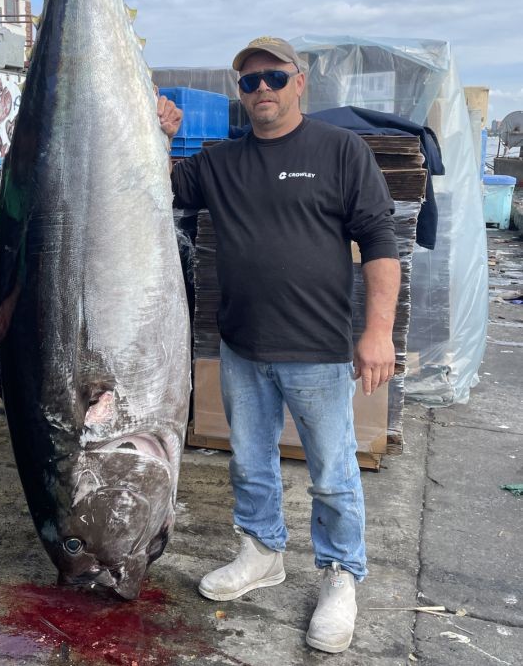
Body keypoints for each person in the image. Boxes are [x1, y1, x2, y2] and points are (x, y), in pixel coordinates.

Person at [159, 36, 400, 655]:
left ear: (300, 83)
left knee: (332, 474)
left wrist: (376, 333)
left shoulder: (340, 150)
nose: (261, 89)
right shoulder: (219, 161)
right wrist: (157, 131)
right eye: (249, 81)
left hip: (318, 350)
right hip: (242, 348)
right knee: (250, 462)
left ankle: (342, 575)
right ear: (240, 94)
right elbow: (154, 188)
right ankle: (263, 552)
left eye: (273, 77)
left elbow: (379, 242)